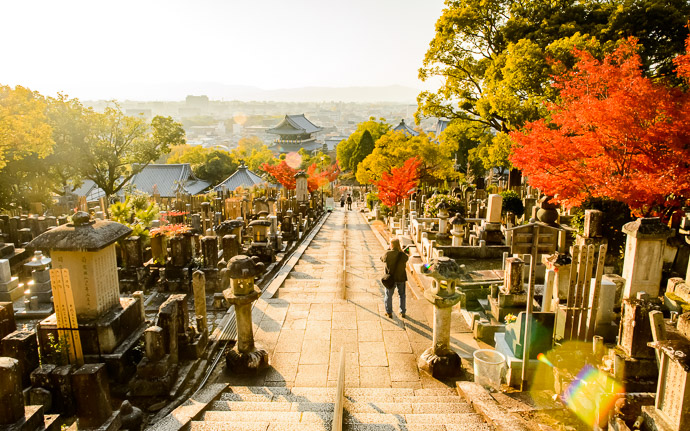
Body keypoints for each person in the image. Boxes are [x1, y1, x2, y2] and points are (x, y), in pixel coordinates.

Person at [380, 238, 409, 318]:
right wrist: (401, 251)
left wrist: (388, 250)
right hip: (401, 278)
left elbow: (381, 259)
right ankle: (402, 312)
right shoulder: (402, 255)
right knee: (402, 295)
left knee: (388, 295)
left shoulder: (387, 254)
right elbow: (407, 258)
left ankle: (389, 312)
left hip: (390, 279)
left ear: (391, 245)